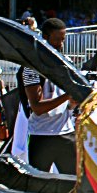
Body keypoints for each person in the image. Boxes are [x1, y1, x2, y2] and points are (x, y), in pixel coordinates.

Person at [20, 18, 76, 174]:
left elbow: (70, 102)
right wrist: (67, 96)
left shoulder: (67, 63)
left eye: (63, 39)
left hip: (66, 133)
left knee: (73, 184)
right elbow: (37, 107)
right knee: (39, 187)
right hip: (42, 136)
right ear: (45, 38)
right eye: (57, 39)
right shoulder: (32, 68)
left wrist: (75, 100)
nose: (61, 44)